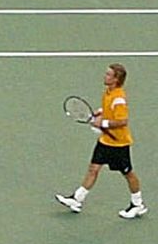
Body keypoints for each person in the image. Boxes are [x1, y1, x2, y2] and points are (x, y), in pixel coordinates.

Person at [55, 63, 145, 219]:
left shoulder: (119, 99)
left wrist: (102, 123)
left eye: (109, 75)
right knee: (93, 169)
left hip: (119, 144)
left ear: (116, 79)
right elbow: (109, 110)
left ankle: (138, 204)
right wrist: (101, 112)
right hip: (105, 141)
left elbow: (123, 121)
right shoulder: (108, 92)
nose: (105, 76)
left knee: (128, 173)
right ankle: (77, 199)